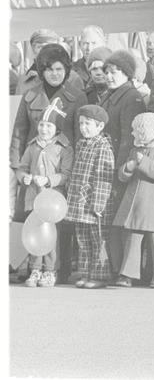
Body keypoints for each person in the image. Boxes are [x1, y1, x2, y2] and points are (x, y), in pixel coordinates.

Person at [10, 43, 88, 284]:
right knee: (32, 216)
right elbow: (20, 132)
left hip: (62, 167)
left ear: (66, 70)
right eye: (49, 69)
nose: (55, 73)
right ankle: (29, 267)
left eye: (59, 69)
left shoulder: (77, 96)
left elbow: (79, 134)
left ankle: (58, 269)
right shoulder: (31, 95)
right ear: (41, 71)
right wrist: (16, 166)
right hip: (34, 166)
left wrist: (75, 169)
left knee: (60, 220)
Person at [98, 50, 148, 279]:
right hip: (109, 166)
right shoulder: (111, 96)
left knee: (122, 222)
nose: (108, 76)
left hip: (120, 170)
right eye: (106, 72)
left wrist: (120, 170)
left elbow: (130, 138)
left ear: (126, 74)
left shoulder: (130, 97)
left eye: (114, 72)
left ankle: (124, 273)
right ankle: (116, 270)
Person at [112, 113, 154, 288]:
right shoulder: (135, 149)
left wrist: (143, 161)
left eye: (138, 131)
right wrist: (128, 168)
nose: (134, 135)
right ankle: (127, 275)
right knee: (132, 237)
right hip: (137, 204)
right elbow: (123, 176)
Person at [17, 99, 74, 287]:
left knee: (51, 237)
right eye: (41, 124)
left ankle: (50, 271)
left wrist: (48, 180)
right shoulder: (32, 146)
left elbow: (66, 174)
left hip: (52, 202)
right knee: (34, 233)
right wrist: (24, 176)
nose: (44, 129)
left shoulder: (64, 148)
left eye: (49, 125)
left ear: (57, 128)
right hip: (34, 198)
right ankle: (34, 270)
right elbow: (22, 167)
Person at [65, 105, 115, 289]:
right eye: (81, 123)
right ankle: (85, 274)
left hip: (95, 206)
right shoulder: (81, 144)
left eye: (88, 124)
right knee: (82, 241)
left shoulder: (103, 147)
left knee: (99, 241)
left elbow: (104, 178)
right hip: (80, 203)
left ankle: (100, 276)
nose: (83, 127)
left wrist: (98, 204)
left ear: (100, 126)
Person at [16, 31, 84, 95]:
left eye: (49, 46)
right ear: (33, 50)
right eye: (40, 47)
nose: (45, 51)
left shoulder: (72, 78)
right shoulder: (23, 81)